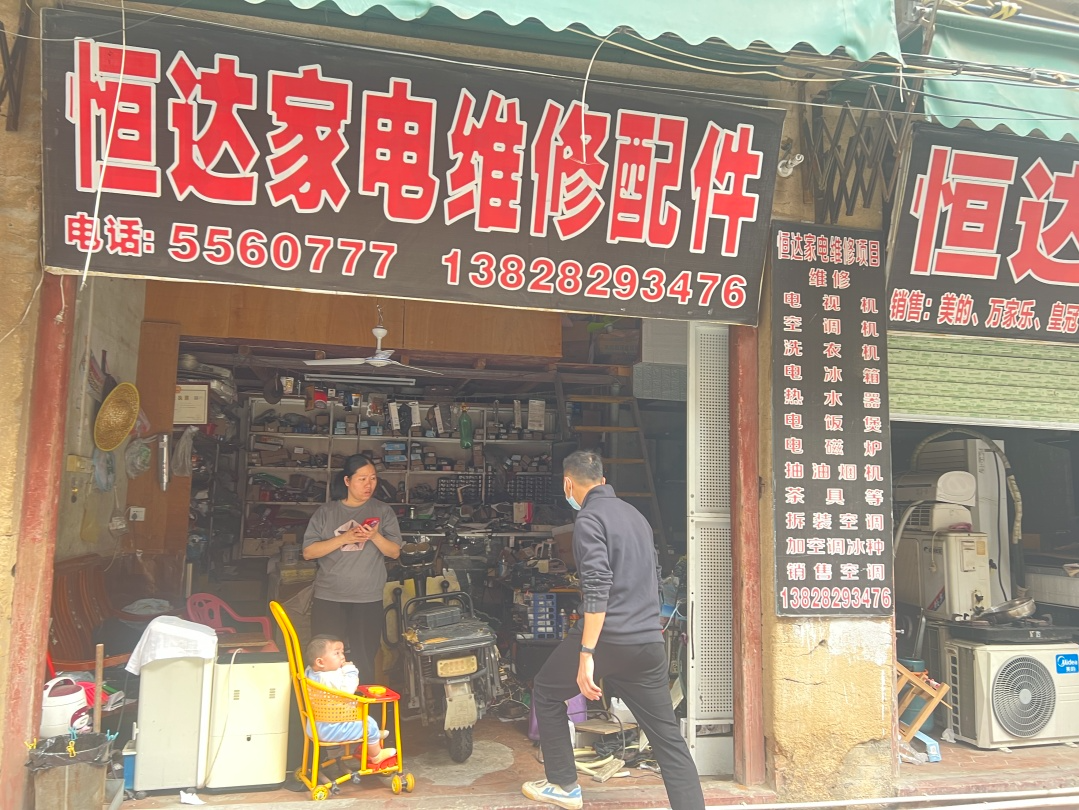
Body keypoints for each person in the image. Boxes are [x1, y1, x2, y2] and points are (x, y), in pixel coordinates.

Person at [522, 450, 705, 810]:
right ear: (603, 480)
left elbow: (597, 587)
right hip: (647, 641)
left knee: (546, 691)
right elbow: (653, 578)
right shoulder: (636, 516)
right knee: (667, 738)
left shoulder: (589, 519)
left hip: (608, 638)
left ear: (568, 484)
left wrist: (587, 653)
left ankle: (563, 785)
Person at [303, 454, 402, 686]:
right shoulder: (326, 512)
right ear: (347, 481)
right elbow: (308, 552)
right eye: (362, 479)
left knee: (364, 658)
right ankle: (327, 706)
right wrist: (344, 538)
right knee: (325, 661)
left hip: (367, 598)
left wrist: (375, 536)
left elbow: (394, 552)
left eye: (373, 478)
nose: (369, 484)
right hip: (329, 596)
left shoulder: (383, 511)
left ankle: (363, 708)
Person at [305, 635, 396, 765]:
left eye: (342, 652)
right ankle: (376, 755)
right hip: (333, 730)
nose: (342, 656)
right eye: (336, 653)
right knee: (369, 725)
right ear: (320, 662)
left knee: (367, 722)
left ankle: (374, 735)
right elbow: (348, 690)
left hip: (316, 727)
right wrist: (350, 671)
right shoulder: (328, 678)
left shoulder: (310, 673)